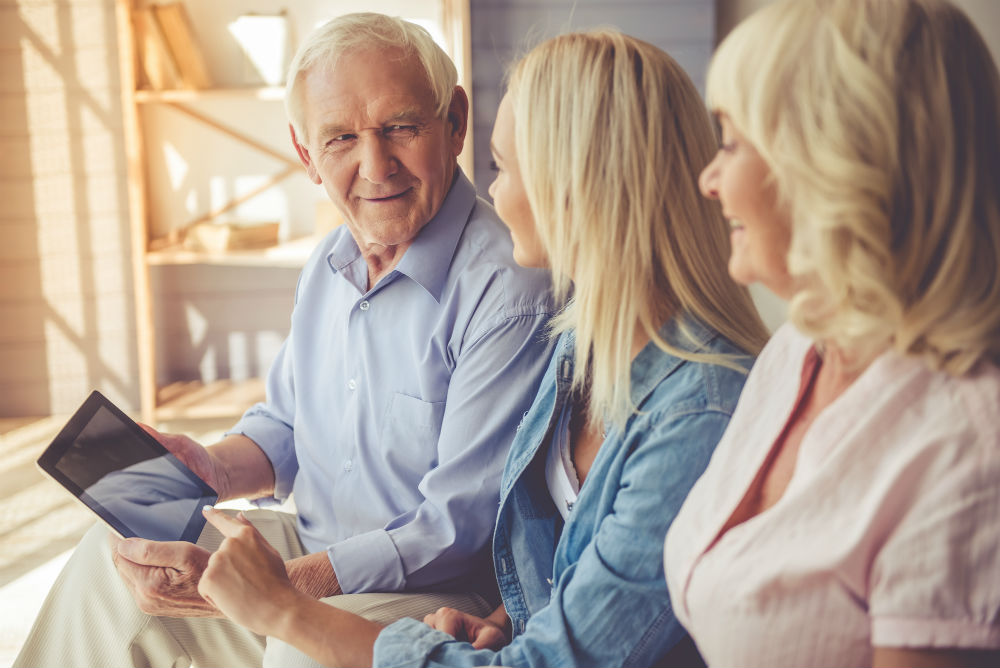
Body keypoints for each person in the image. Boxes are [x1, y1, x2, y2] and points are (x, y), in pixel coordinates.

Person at [192, 29, 771, 667]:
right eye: (341, 139)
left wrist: (284, 606)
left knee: (296, 652)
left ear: (582, 188)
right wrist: (499, 619)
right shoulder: (582, 344)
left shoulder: (693, 415)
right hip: (457, 608)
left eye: (506, 168)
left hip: (443, 600)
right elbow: (559, 568)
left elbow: (545, 650)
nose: (491, 193)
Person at [15, 12, 558, 668]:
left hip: (436, 589)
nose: (375, 165)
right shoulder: (330, 261)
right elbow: (285, 424)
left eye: (401, 127)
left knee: (299, 647)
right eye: (340, 139)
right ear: (306, 155)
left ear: (455, 121)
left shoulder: (508, 287)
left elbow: (458, 527)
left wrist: (277, 593)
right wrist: (209, 468)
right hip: (312, 545)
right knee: (108, 568)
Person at [663, 0, 1000, 665]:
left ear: (831, 162)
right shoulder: (798, 349)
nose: (708, 179)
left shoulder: (966, 446)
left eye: (729, 142)